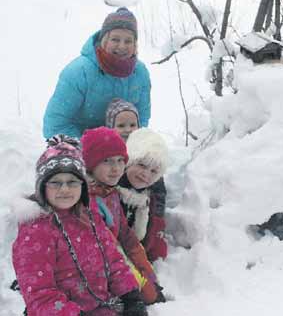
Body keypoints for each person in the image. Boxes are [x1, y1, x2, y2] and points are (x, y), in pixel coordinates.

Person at [12, 135, 147, 316]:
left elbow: (112, 259)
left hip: (101, 306)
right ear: (42, 187)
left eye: (72, 182)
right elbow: (40, 294)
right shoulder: (36, 230)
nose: (65, 189)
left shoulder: (89, 215)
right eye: (56, 182)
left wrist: (130, 295)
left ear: (82, 186)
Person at [81, 127, 164, 305]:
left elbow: (128, 238)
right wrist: (142, 290)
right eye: (107, 161)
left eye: (120, 160)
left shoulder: (110, 192)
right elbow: (111, 250)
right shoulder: (89, 201)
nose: (116, 168)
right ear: (91, 163)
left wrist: (150, 280)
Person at [43, 7, 151, 139]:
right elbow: (55, 125)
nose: (122, 46)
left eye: (128, 41)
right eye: (115, 40)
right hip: (79, 145)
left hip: (120, 149)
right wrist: (91, 147)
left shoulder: (140, 73)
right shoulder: (78, 72)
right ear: (104, 40)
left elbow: (142, 119)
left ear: (135, 45)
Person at [117, 128, 169, 263]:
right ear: (128, 162)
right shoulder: (112, 190)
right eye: (141, 165)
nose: (146, 174)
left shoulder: (150, 196)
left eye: (153, 171)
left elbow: (154, 226)